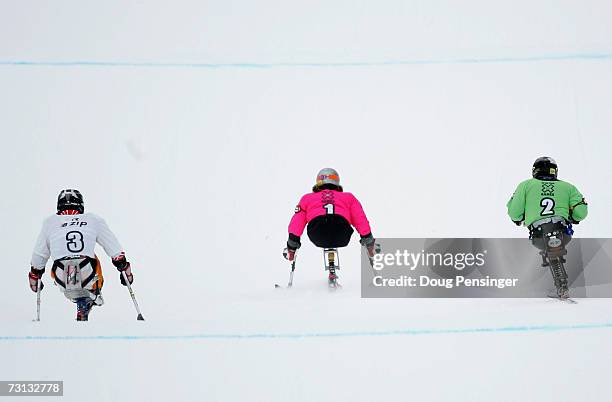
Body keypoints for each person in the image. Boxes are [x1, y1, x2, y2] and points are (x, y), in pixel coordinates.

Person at [29, 189, 134, 321]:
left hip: (61, 275)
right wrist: (125, 270)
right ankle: (92, 294)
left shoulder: (49, 222)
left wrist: (34, 276)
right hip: (88, 272)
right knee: (93, 257)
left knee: (57, 258)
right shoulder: (94, 220)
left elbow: (39, 256)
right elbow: (115, 250)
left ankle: (81, 299)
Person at [507, 157, 588, 298]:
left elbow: (514, 212)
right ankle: (563, 285)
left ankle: (558, 286)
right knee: (557, 251)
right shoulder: (568, 187)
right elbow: (581, 212)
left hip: (539, 234)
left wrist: (518, 219)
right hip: (563, 232)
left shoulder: (525, 185)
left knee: (545, 251)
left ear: (535, 170)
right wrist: (573, 217)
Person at [285, 168, 377, 284]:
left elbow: (297, 222)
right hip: (342, 232)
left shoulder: (307, 198)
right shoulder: (348, 197)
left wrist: (292, 244)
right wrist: (368, 240)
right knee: (341, 228)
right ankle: (376, 277)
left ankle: (290, 281)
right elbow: (360, 219)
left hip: (317, 233)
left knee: (320, 231)